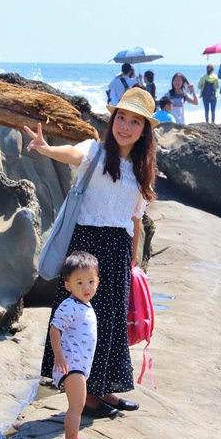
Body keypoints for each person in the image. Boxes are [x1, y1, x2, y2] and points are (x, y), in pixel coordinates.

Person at [24, 87, 158, 418]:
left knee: (110, 322)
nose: (125, 126)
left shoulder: (141, 168)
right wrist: (45, 148)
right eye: (121, 118)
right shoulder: (95, 152)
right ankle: (86, 397)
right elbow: (73, 153)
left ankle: (104, 388)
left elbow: (135, 217)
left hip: (117, 249)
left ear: (144, 131)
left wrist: (134, 259)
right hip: (88, 247)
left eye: (134, 122)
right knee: (81, 324)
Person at [47, 251, 101, 439]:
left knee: (78, 405)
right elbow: (55, 329)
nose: (86, 287)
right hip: (71, 365)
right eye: (79, 283)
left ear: (97, 281)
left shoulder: (84, 305)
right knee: (76, 406)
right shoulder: (69, 305)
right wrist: (59, 355)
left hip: (79, 365)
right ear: (68, 285)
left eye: (90, 281)